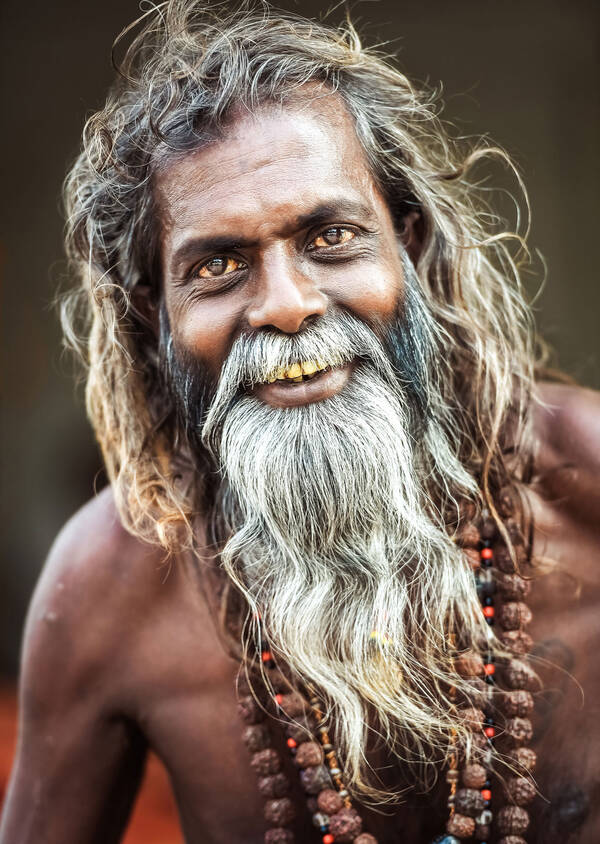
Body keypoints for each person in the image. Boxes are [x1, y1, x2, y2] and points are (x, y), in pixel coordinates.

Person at [1, 2, 598, 842]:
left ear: (409, 246)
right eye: (217, 266)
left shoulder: (586, 485)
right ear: (154, 316)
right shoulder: (109, 592)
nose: (286, 305)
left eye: (331, 236)